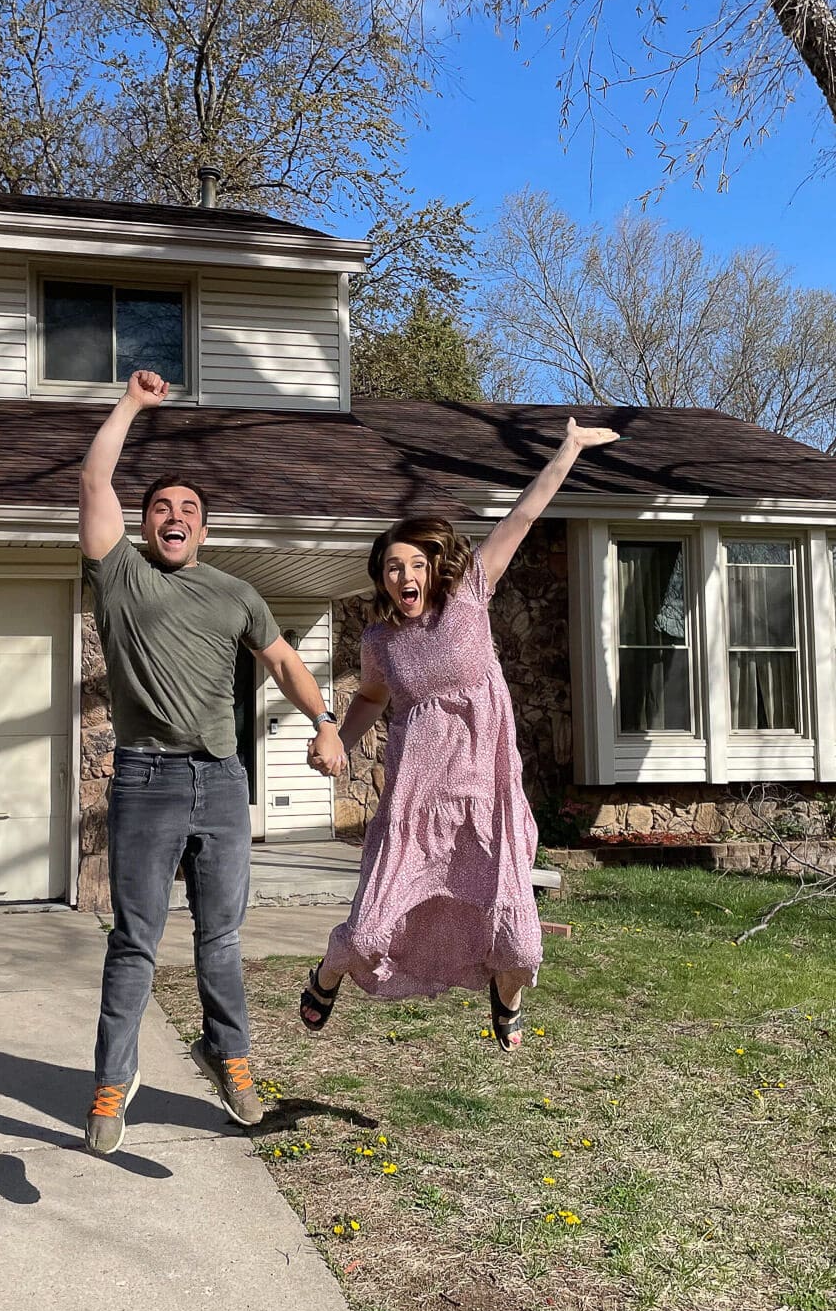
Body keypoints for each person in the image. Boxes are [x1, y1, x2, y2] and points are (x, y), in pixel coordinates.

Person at [80, 368, 345, 1154]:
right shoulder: (119, 573)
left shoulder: (236, 593)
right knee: (135, 938)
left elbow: (287, 664)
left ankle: (229, 1059)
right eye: (162, 507)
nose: (175, 516)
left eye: (189, 510)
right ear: (144, 523)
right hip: (146, 779)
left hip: (224, 783)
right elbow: (96, 477)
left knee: (220, 938)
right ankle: (110, 1082)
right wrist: (132, 404)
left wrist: (326, 722)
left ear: (205, 528)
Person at [302, 416, 619, 1046]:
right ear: (382, 577)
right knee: (368, 930)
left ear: (435, 567)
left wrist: (568, 451)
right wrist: (336, 732)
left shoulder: (471, 597)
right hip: (417, 802)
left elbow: (523, 518)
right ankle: (329, 972)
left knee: (520, 939)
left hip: (486, 796)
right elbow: (369, 698)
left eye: (414, 564)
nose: (403, 576)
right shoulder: (381, 642)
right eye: (392, 567)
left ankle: (506, 1002)